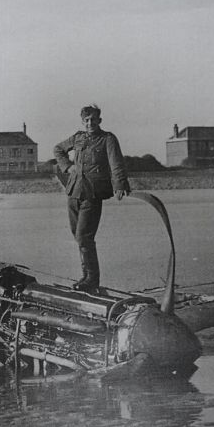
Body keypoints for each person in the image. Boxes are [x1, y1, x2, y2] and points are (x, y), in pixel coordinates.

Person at [53, 103, 130, 292]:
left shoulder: (107, 139)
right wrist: (67, 166)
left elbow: (116, 163)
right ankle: (86, 276)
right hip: (73, 191)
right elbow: (58, 149)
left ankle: (91, 280)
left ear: (99, 120)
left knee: (84, 236)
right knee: (78, 236)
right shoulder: (78, 137)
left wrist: (119, 184)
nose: (90, 123)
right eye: (86, 120)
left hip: (93, 193)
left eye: (93, 119)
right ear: (82, 121)